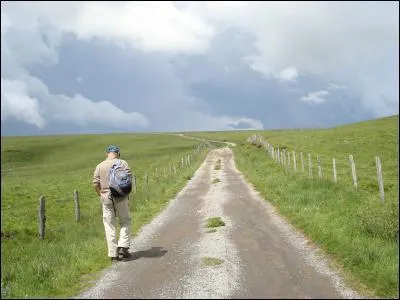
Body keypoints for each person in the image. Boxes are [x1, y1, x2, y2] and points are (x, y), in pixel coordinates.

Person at [93, 145, 132, 262]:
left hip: (106, 198)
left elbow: (95, 183)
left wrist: (101, 194)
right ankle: (123, 247)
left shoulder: (100, 166)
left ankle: (113, 254)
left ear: (107, 154)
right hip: (121, 197)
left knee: (109, 225)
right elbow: (128, 179)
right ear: (118, 153)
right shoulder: (123, 163)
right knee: (125, 221)